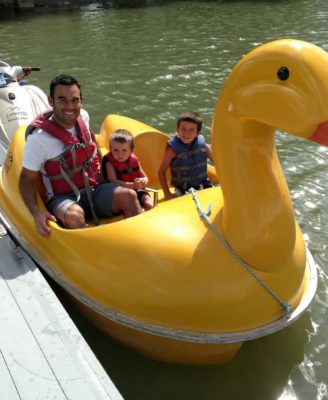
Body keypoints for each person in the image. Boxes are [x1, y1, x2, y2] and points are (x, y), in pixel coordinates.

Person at [19, 74, 141, 238]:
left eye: (74, 100)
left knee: (129, 196)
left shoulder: (83, 116)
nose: (70, 106)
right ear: (50, 101)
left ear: (81, 100)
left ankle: (138, 243)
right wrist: (36, 213)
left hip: (95, 189)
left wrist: (108, 177)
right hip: (63, 198)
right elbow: (26, 179)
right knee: (75, 216)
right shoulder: (39, 140)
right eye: (62, 99)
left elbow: (91, 143)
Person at [158, 111, 213, 200]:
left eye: (191, 130)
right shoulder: (172, 150)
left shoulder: (203, 146)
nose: (186, 133)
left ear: (198, 133)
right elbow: (161, 172)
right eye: (183, 129)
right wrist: (167, 194)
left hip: (204, 185)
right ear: (177, 129)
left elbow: (219, 163)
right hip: (183, 191)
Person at [102, 129, 153, 210]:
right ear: (110, 149)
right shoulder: (109, 163)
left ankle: (150, 209)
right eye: (116, 150)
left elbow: (145, 177)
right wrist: (132, 185)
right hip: (121, 194)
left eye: (124, 150)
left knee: (147, 199)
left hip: (137, 189)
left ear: (131, 151)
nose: (120, 154)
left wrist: (143, 181)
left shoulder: (134, 160)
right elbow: (113, 181)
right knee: (130, 199)